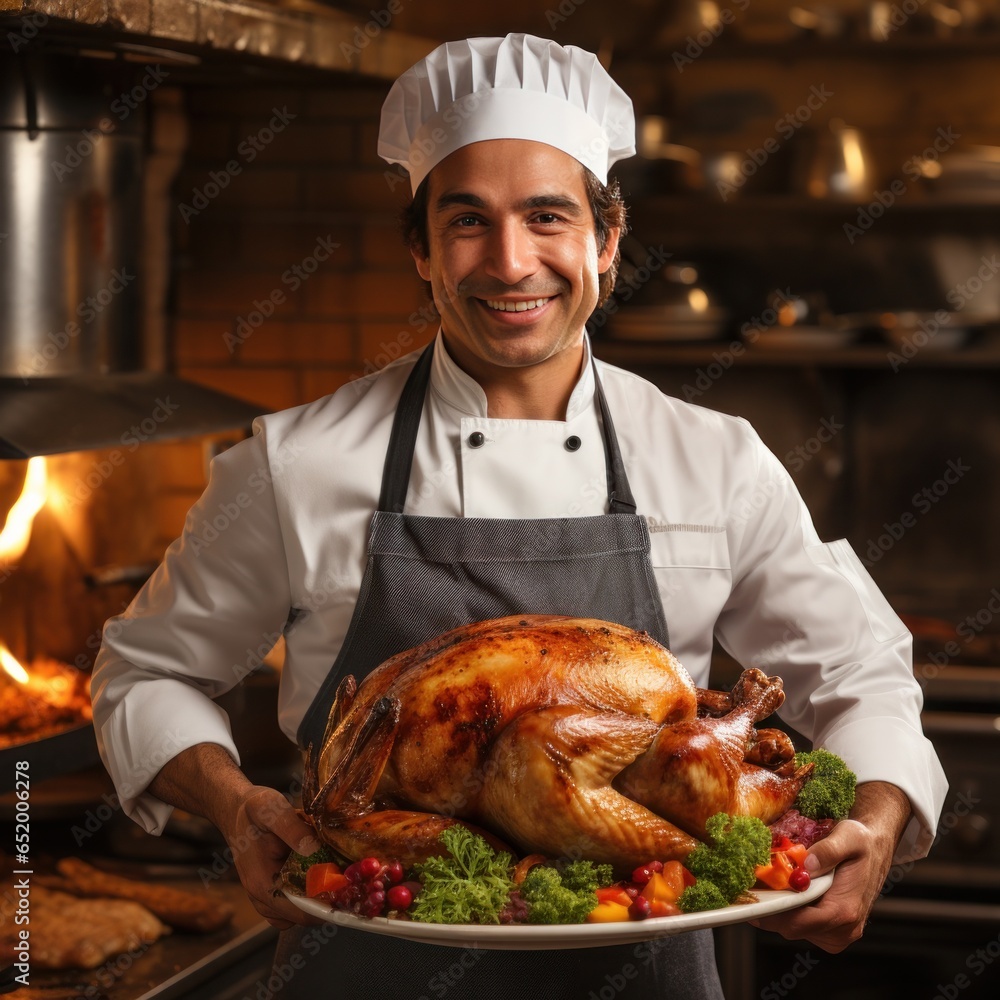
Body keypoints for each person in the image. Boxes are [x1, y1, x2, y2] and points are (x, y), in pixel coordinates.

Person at [91, 33, 947, 999]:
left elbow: (858, 670)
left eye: (548, 216)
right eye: (467, 221)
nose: (510, 262)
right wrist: (237, 803)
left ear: (606, 242)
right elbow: (145, 673)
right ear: (420, 248)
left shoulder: (713, 460)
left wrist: (874, 823)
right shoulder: (295, 463)